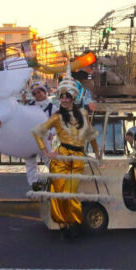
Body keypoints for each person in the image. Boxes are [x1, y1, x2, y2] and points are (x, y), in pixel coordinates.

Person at [32, 71, 101, 239]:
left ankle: (74, 223)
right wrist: (47, 152)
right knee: (59, 194)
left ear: (72, 99)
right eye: (61, 97)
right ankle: (64, 226)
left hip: (77, 159)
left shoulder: (83, 114)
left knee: (71, 193)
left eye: (67, 97)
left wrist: (97, 152)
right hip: (61, 158)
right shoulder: (56, 117)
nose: (64, 100)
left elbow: (90, 134)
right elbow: (37, 132)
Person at [28, 81, 58, 192]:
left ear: (44, 92)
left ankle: (54, 182)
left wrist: (52, 133)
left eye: (39, 91)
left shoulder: (52, 107)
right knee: (30, 161)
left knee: (49, 160)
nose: (37, 94)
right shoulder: (29, 106)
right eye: (35, 93)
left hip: (45, 138)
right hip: (31, 138)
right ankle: (34, 183)